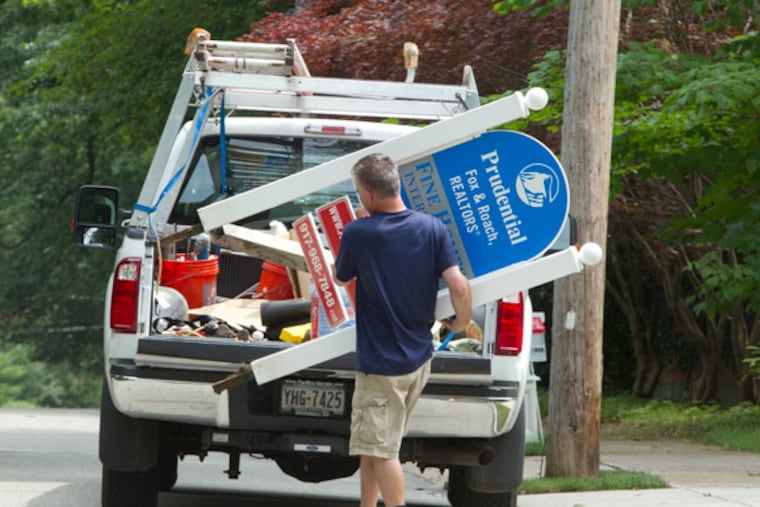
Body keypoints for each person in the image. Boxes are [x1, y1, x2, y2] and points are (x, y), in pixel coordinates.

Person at [334, 153, 472, 507]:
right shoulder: (432, 228)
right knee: (374, 446)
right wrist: (461, 322)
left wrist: (362, 225)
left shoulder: (358, 233)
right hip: (417, 359)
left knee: (382, 452)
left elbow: (342, 276)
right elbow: (459, 285)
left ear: (368, 194)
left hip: (382, 363)